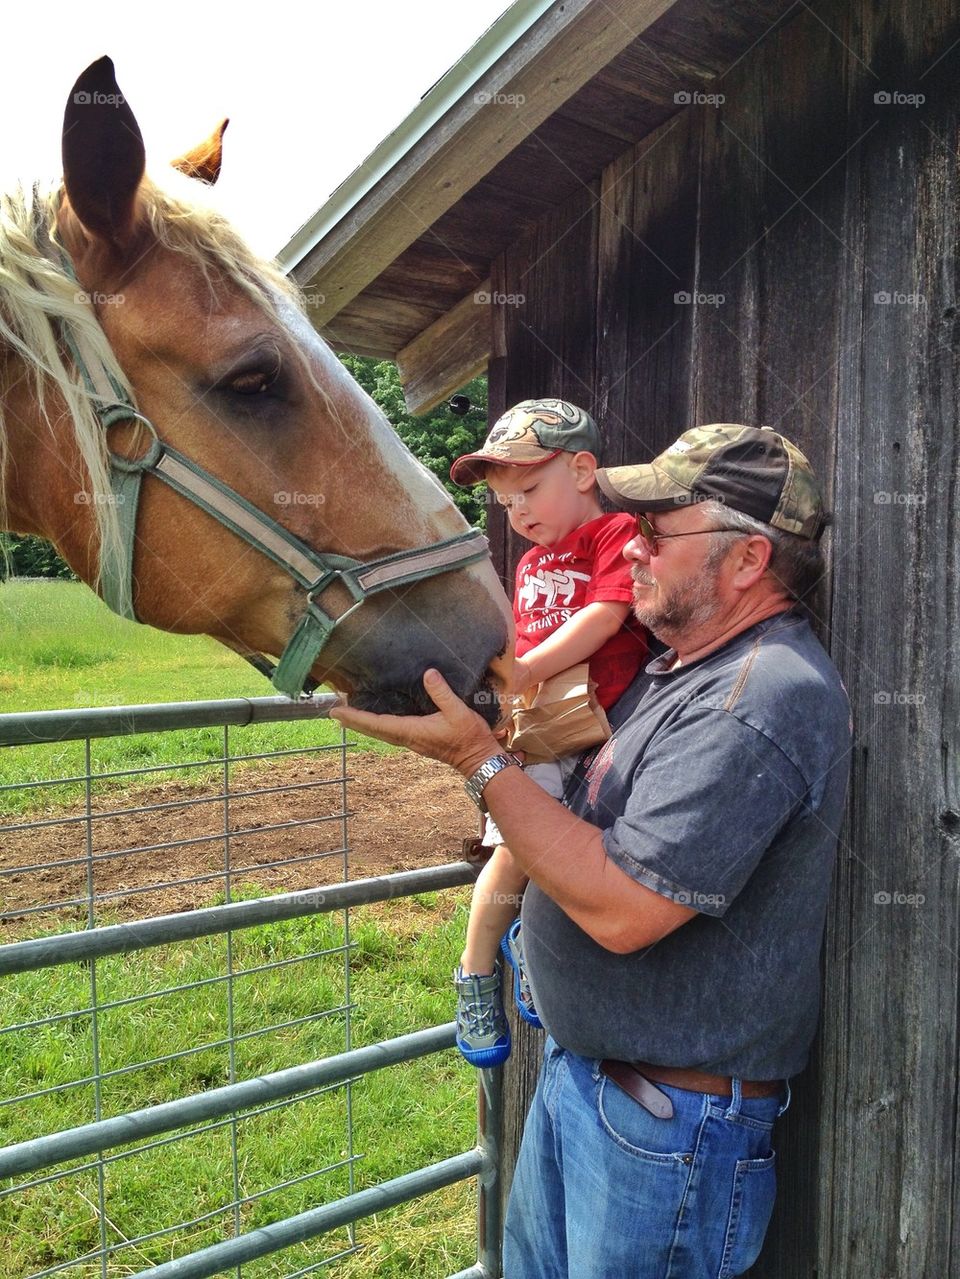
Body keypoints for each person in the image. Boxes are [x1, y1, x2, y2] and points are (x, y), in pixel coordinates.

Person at [331, 423, 852, 1279]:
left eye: (656, 532)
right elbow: (568, 793)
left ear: (748, 561)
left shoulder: (759, 699)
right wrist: (473, 722)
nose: (630, 548)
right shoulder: (678, 666)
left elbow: (619, 909)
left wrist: (478, 759)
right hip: (601, 1088)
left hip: (666, 1128)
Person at [448, 397, 647, 1067]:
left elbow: (608, 615)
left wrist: (528, 667)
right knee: (520, 843)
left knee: (576, 856)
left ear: (584, 468)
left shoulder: (615, 533)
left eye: (529, 489)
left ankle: (533, 948)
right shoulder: (531, 565)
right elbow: (521, 648)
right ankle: (478, 969)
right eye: (506, 504)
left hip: (605, 731)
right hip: (543, 731)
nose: (519, 512)